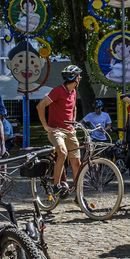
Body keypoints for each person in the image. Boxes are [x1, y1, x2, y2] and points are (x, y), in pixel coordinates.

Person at [38, 65, 83, 198]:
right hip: (56, 131)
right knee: (62, 153)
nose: (80, 79)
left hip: (70, 131)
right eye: (79, 76)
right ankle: (56, 185)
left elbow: (73, 108)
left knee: (77, 163)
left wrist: (73, 122)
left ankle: (78, 195)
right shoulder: (57, 91)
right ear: (74, 78)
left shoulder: (73, 92)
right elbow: (40, 105)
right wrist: (46, 127)